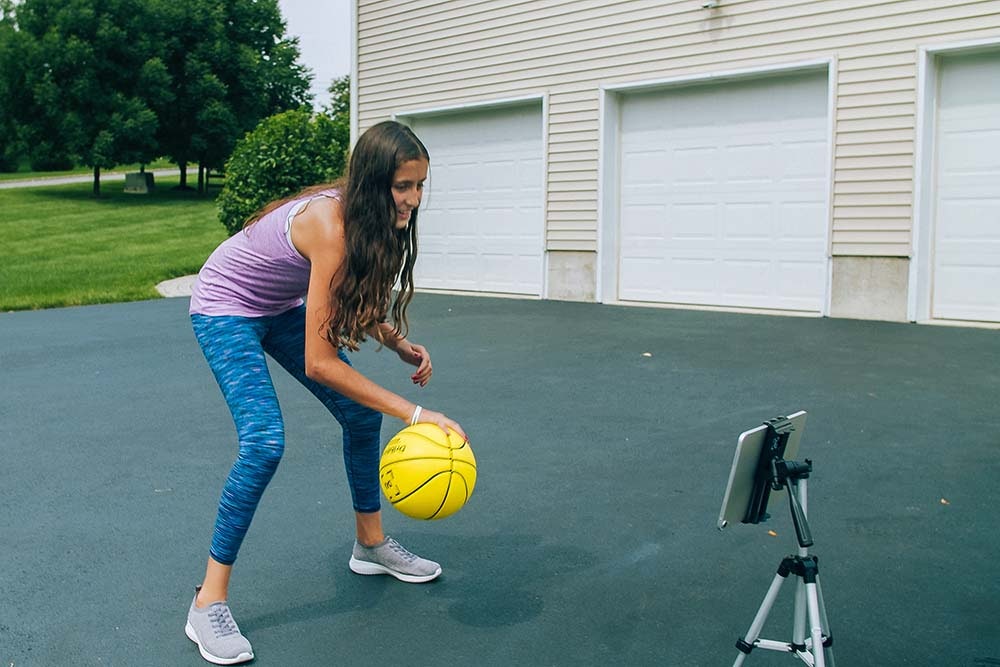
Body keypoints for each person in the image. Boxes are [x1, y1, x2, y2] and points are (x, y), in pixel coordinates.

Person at [184, 120, 466, 665]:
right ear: (371, 183)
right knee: (264, 442)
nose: (411, 200)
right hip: (225, 307)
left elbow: (351, 293)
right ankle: (207, 602)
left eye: (419, 186)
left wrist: (396, 340)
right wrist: (415, 413)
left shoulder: (371, 219)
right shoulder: (329, 225)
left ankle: (370, 545)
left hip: (277, 305)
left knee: (361, 418)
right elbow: (320, 363)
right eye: (401, 186)